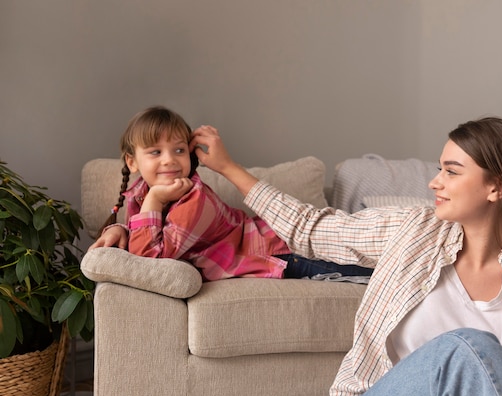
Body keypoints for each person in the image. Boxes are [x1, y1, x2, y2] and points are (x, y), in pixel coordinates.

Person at [190, 117, 502, 396]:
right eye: (439, 168)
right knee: (467, 347)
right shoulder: (412, 229)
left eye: (452, 172)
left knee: (474, 352)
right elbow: (309, 229)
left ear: (497, 187)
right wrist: (228, 168)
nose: (435, 182)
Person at [90, 106, 372, 281]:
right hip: (281, 246)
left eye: (178, 150)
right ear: (132, 162)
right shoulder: (139, 193)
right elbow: (144, 236)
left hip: (286, 252)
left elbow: (149, 263)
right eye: (155, 152)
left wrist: (154, 201)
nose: (169, 160)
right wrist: (120, 229)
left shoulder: (195, 200)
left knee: (375, 271)